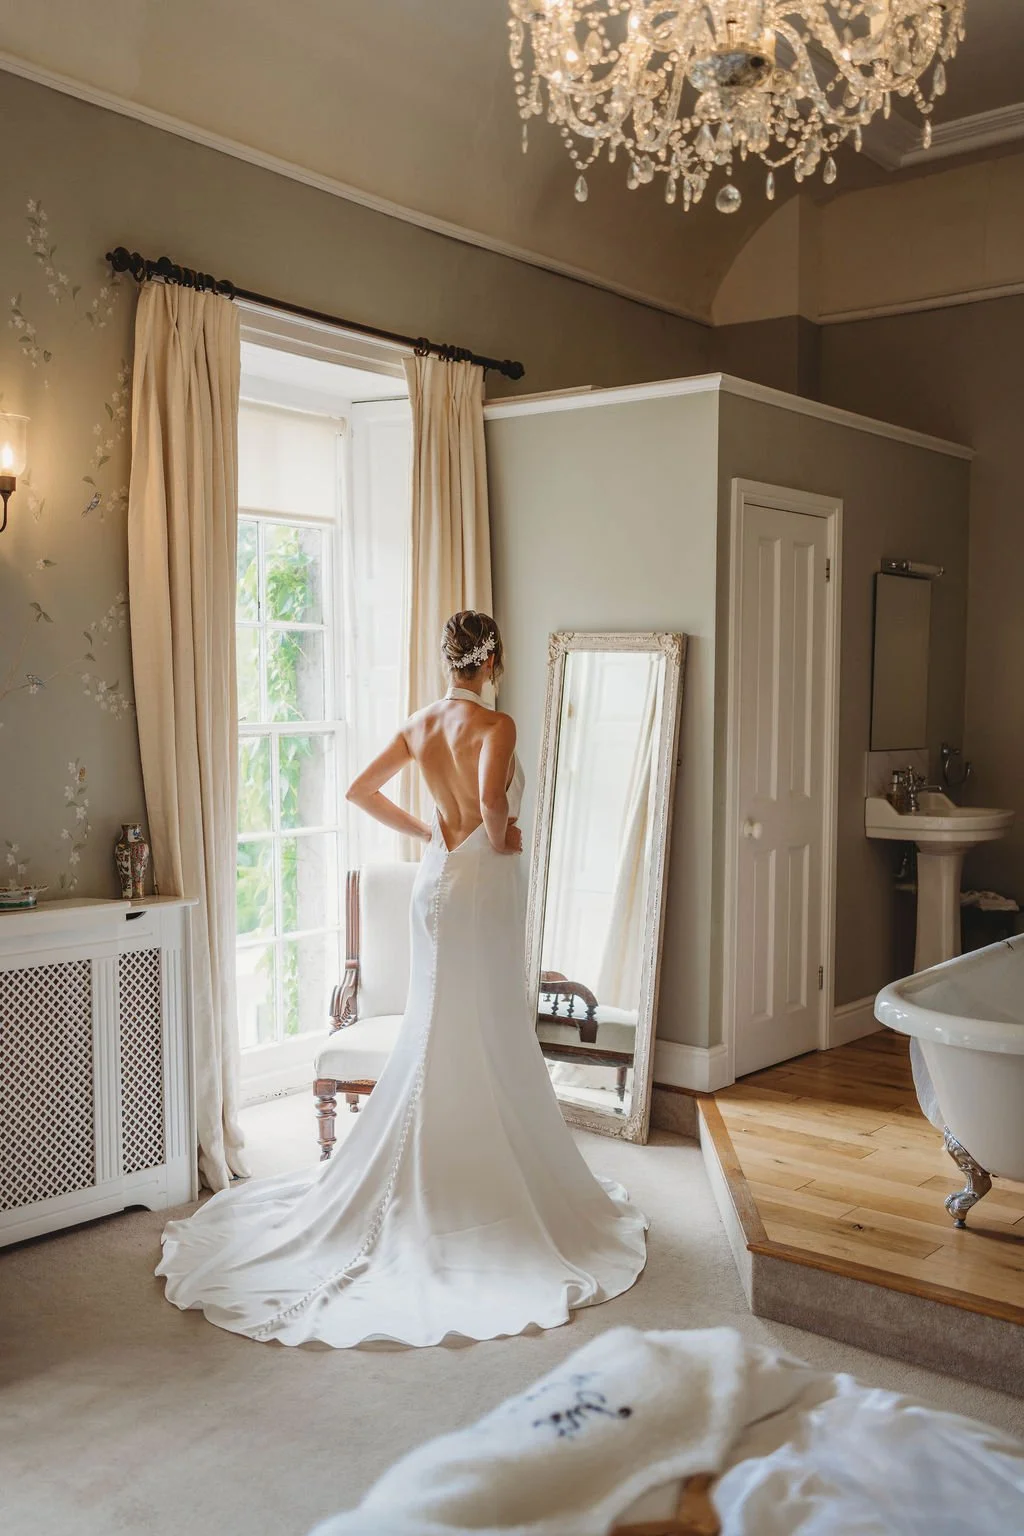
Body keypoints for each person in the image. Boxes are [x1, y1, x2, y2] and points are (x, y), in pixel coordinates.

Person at [157, 611, 647, 1347]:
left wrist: (428, 834)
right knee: (481, 1018)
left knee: (438, 1018)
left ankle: (438, 1157)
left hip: (435, 882)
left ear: (452, 661)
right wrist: (501, 831)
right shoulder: (498, 725)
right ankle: (470, 1167)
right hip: (481, 880)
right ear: (492, 660)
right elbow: (489, 804)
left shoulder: (421, 722)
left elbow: (362, 788)